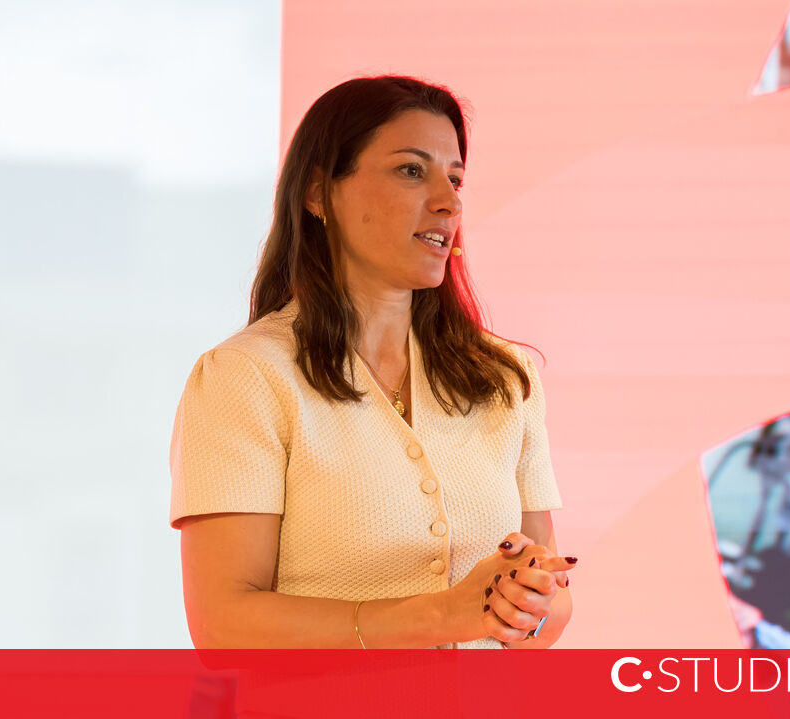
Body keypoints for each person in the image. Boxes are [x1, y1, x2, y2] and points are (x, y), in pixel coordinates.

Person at [169, 75, 574, 649]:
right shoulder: (246, 377)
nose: (450, 201)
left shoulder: (506, 378)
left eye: (456, 179)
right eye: (411, 170)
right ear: (318, 193)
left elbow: (554, 605)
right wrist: (439, 616)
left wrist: (527, 604)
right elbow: (225, 626)